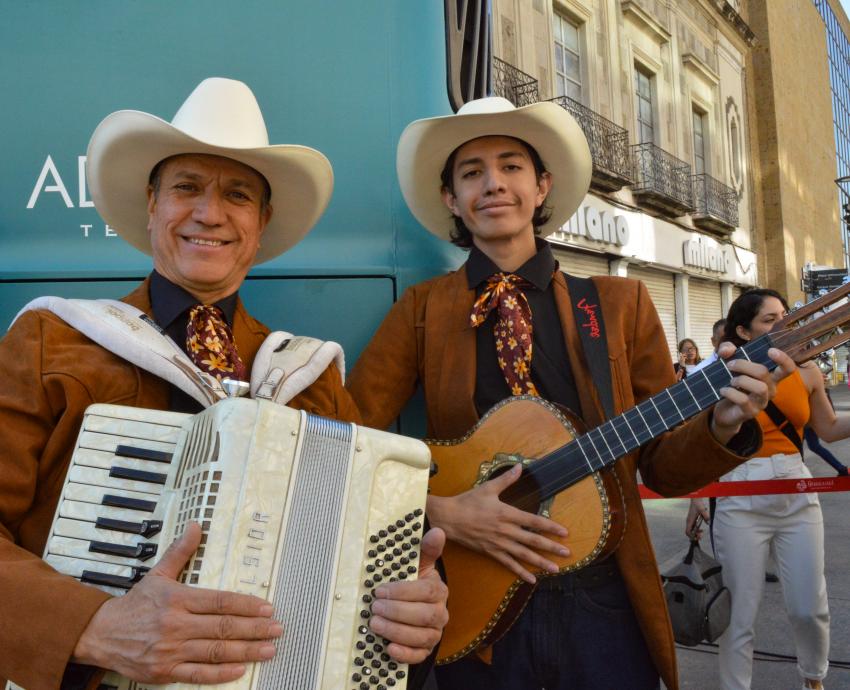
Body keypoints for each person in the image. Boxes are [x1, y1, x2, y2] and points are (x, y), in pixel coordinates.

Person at [0, 78, 448, 689]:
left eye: (237, 195)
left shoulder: (309, 377)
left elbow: (369, 570)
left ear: (260, 225)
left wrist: (413, 606)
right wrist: (95, 627)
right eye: (186, 187)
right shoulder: (54, 340)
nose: (210, 213)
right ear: (151, 204)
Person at [345, 97, 794, 690]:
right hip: (474, 598)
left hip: (602, 601)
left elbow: (662, 466)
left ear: (541, 186)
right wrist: (441, 512)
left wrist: (720, 425)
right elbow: (348, 443)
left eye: (511, 166)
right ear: (453, 199)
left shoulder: (617, 304)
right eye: (471, 172)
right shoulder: (423, 311)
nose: (493, 184)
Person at [685, 288, 850, 690]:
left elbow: (827, 429)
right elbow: (698, 441)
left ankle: (814, 677)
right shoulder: (720, 375)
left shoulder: (809, 372)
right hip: (738, 495)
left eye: (786, 316)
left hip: (797, 493)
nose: (784, 326)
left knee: (810, 607)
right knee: (739, 614)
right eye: (769, 320)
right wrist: (697, 497)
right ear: (743, 330)